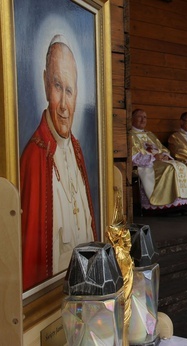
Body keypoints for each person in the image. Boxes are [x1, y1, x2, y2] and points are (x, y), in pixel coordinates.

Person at [20, 35, 96, 291]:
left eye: (70, 90)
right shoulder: (34, 155)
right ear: (44, 85)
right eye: (57, 86)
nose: (64, 105)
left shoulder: (76, 149)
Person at [130, 109, 187, 211]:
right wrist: (153, 158)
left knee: (181, 165)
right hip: (145, 165)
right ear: (132, 119)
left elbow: (163, 149)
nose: (143, 120)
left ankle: (181, 203)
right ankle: (164, 205)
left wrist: (165, 155)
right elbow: (133, 156)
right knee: (169, 168)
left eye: (145, 117)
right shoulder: (129, 135)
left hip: (159, 161)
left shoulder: (149, 134)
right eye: (140, 117)